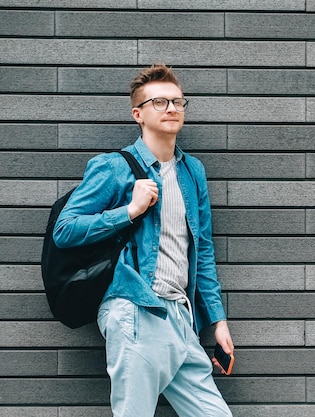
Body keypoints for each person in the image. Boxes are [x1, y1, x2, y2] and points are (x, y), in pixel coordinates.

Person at [53, 64, 233, 417]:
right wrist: (130, 211)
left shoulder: (192, 171)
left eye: (178, 102)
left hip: (182, 317)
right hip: (135, 309)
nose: (171, 109)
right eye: (160, 102)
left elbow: (203, 249)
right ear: (138, 114)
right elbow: (66, 229)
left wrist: (217, 320)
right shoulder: (113, 166)